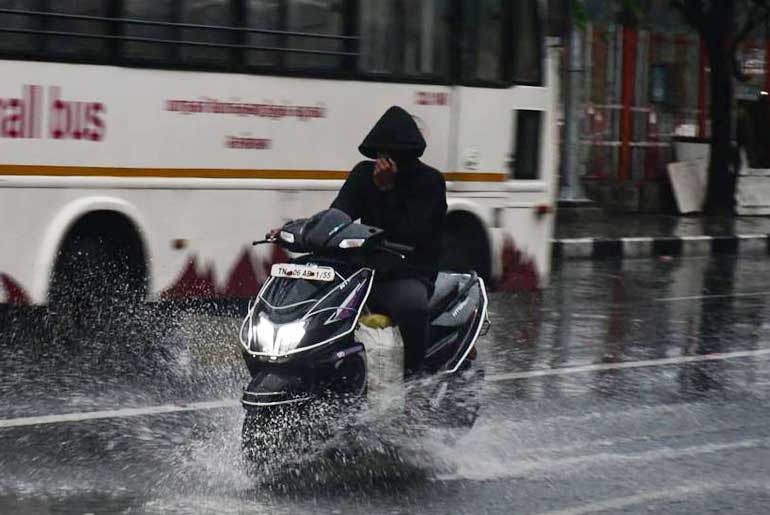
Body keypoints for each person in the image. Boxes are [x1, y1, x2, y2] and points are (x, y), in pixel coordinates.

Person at [331, 106, 447, 377]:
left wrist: (387, 190)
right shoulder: (363, 174)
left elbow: (412, 234)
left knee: (411, 307)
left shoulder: (429, 182)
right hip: (365, 271)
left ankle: (415, 378)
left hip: (409, 272)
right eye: (379, 154)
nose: (383, 161)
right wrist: (305, 228)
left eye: (390, 154)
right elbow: (338, 213)